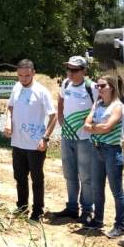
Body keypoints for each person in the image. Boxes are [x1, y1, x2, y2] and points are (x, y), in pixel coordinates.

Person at [3, 59, 57, 222]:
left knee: (37, 178)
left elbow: (53, 116)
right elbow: (10, 107)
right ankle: (21, 207)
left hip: (35, 144)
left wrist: (45, 138)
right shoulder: (16, 88)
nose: (23, 79)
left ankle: (37, 211)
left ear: (33, 73)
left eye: (27, 75)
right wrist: (7, 121)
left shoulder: (41, 91)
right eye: (20, 75)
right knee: (19, 177)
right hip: (18, 142)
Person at [52, 56, 96, 223]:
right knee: (69, 174)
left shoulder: (91, 87)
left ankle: (87, 210)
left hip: (85, 139)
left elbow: (98, 106)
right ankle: (72, 207)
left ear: (84, 71)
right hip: (67, 137)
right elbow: (61, 98)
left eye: (75, 70)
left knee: (85, 176)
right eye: (69, 69)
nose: (70, 72)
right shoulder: (65, 84)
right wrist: (60, 115)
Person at [83, 75, 124, 237]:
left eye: (102, 86)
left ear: (112, 87)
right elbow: (86, 124)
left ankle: (120, 225)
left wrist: (93, 127)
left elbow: (107, 127)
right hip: (97, 149)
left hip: (111, 150)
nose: (99, 89)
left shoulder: (117, 106)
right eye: (98, 86)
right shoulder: (98, 103)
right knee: (97, 187)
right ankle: (98, 219)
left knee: (116, 190)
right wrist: (97, 127)